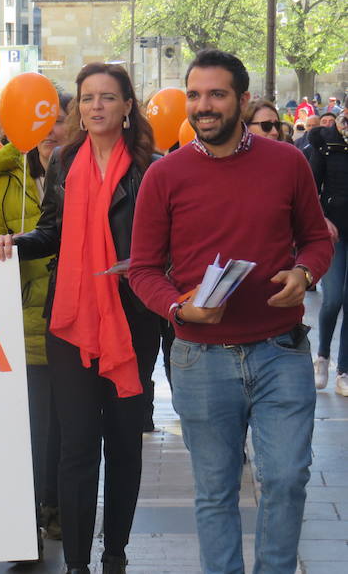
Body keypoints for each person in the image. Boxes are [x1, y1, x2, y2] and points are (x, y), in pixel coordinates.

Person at [128, 49, 332, 574]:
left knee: (286, 479)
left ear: (242, 100)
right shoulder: (164, 176)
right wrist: (179, 307)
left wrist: (304, 274)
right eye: (194, 95)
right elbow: (144, 270)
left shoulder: (286, 162)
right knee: (215, 492)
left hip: (281, 353)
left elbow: (316, 240)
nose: (203, 106)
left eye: (216, 94)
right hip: (199, 358)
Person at [0, 63, 160, 574]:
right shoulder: (64, 162)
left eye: (108, 97)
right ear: (78, 109)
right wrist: (13, 244)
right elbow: (51, 232)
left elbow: (165, 242)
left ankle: (115, 555)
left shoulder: (151, 168)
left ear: (128, 107)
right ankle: (77, 565)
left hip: (131, 318)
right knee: (77, 445)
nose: (96, 106)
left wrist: (147, 265)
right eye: (88, 98)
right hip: (69, 319)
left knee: (124, 443)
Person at [0, 93, 71, 550]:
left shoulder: (84, 170)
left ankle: (57, 505)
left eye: (59, 121)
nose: (51, 131)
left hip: (75, 316)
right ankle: (39, 509)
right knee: (37, 424)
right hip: (24, 319)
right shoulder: (0, 184)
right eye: (44, 121)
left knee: (65, 424)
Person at [308, 112, 348, 395]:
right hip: (335, 231)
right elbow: (310, 188)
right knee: (332, 298)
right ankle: (322, 355)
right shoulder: (326, 142)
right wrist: (322, 218)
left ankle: (344, 370)